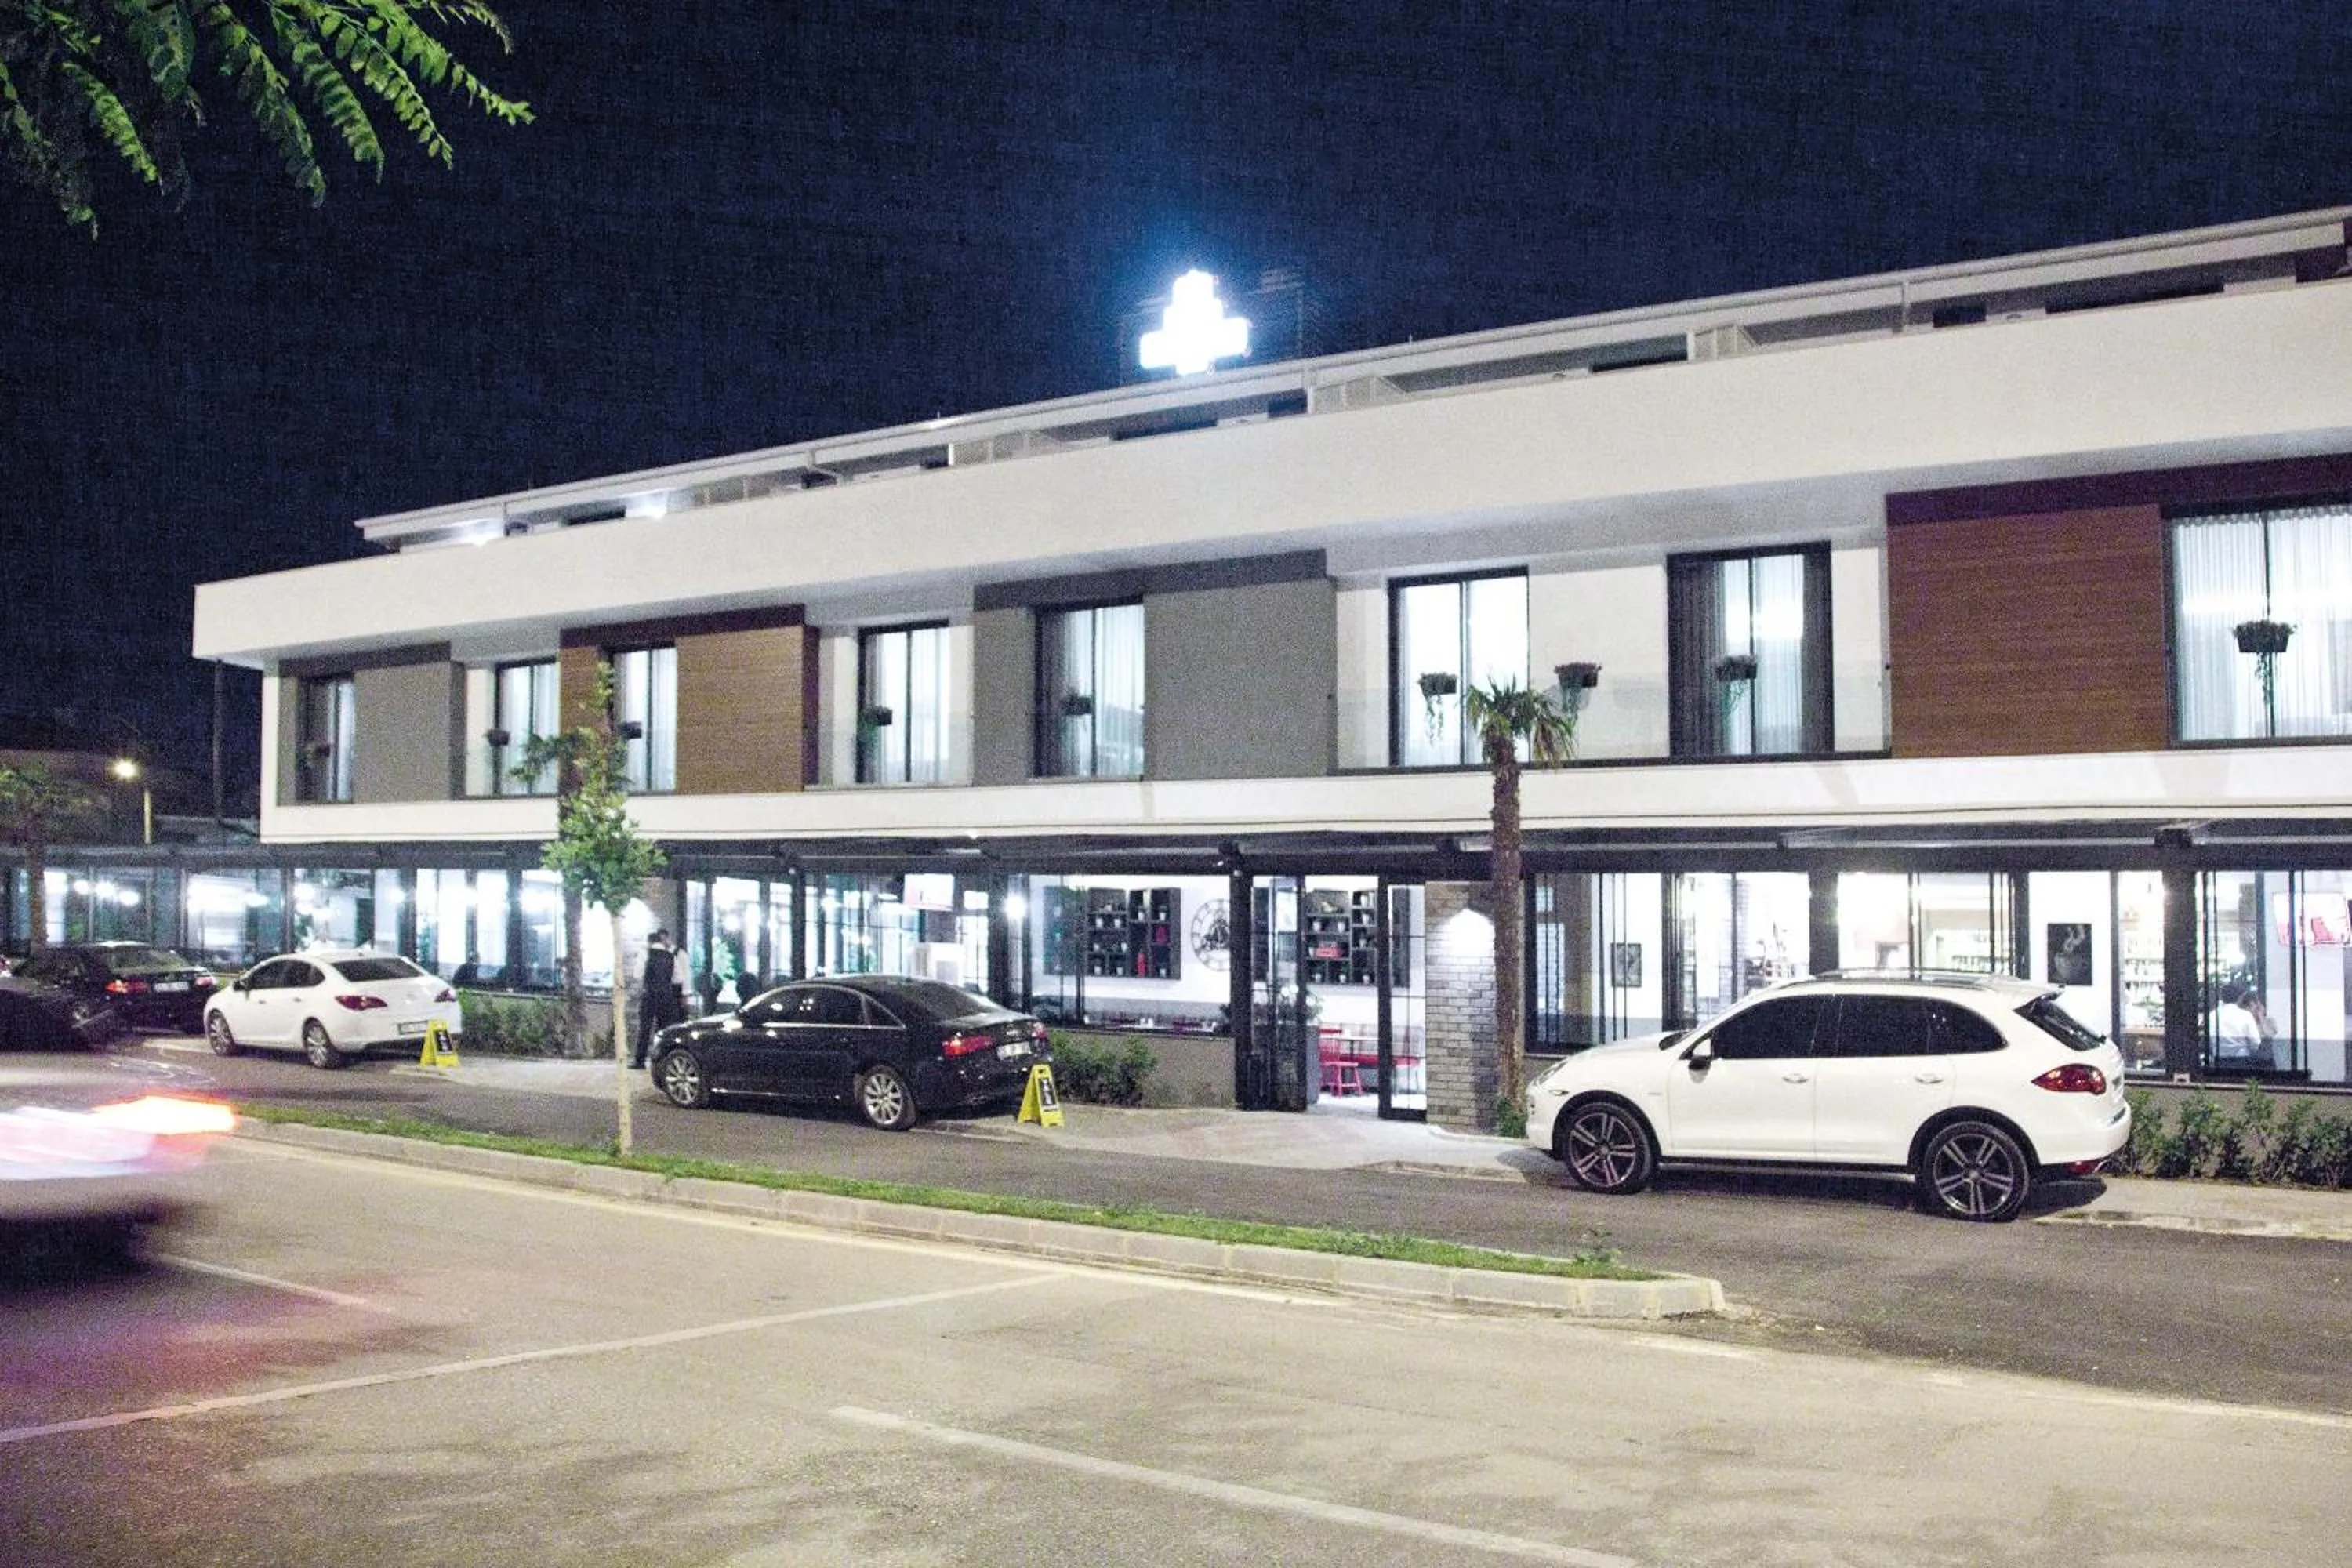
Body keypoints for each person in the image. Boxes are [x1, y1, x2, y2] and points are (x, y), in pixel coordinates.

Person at [633, 929, 686, 1069]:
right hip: (666, 996)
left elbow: (637, 974)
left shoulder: (645, 954)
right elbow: (679, 979)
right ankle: (662, 1060)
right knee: (663, 1029)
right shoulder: (671, 956)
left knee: (645, 1027)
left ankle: (640, 1060)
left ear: (650, 942)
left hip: (649, 995)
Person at [2212, 979, 2265, 1066]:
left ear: (2222, 997)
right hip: (2242, 1062)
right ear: (2239, 998)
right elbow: (2256, 1043)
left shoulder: (2212, 1016)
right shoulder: (2245, 1015)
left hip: (2219, 1061)